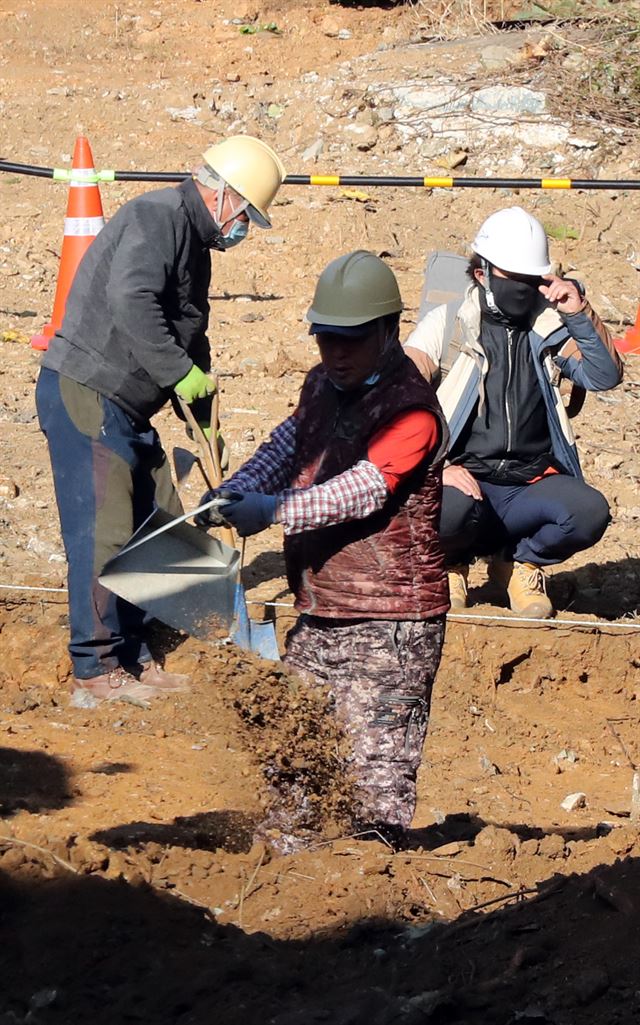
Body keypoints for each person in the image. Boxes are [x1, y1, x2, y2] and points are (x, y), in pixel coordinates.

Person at [200, 251, 450, 849]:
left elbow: (361, 490)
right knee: (294, 757)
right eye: (326, 339)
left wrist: (274, 510)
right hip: (321, 613)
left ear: (389, 332)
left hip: (394, 624)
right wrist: (244, 485)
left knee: (374, 784)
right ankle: (292, 884)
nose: (336, 353)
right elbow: (290, 441)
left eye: (352, 341)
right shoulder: (321, 385)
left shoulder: (411, 410)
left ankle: (371, 903)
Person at [35, 135, 286, 706]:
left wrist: (202, 402)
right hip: (88, 391)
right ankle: (95, 669)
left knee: (158, 525)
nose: (244, 230)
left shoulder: (193, 243)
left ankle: (134, 655)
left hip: (128, 405)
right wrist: (179, 372)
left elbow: (187, 329)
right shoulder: (158, 217)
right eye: (246, 215)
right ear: (223, 196)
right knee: (105, 532)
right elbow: (133, 301)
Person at [403, 206, 624, 618]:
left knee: (588, 512)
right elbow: (395, 401)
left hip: (529, 482)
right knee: (444, 510)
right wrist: (437, 466)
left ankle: (521, 564)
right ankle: (450, 565)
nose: (524, 289)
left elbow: (604, 375)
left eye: (532, 279)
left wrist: (578, 313)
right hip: (465, 481)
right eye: (514, 278)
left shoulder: (550, 327)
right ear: (482, 273)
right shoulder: (448, 325)